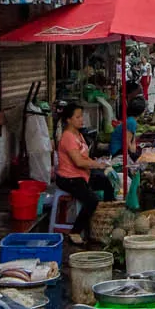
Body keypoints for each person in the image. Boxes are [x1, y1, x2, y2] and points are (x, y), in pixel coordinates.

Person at [54, 103, 107, 246]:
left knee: (106, 182)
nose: (81, 120)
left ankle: (106, 220)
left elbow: (84, 158)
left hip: (82, 175)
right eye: (77, 117)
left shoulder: (79, 135)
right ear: (68, 120)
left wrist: (99, 163)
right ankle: (75, 232)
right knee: (91, 200)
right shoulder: (68, 137)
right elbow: (78, 162)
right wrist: (97, 165)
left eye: (81, 116)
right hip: (68, 178)